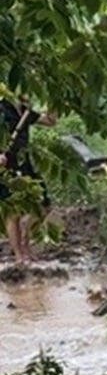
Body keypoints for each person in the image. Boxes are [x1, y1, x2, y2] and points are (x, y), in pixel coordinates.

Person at [1, 98, 57, 263]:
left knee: (44, 204)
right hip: (7, 165)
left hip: (25, 163)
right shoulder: (3, 110)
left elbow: (50, 121)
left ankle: (25, 238)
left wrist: (56, 99)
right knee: (13, 212)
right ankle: (19, 255)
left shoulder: (26, 111)